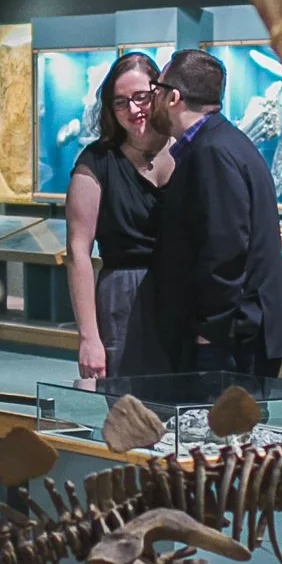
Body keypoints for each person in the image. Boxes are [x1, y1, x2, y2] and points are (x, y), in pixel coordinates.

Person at [148, 47, 282, 397]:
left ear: (173, 97)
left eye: (156, 90)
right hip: (239, 333)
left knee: (219, 440)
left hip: (231, 340)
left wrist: (211, 330)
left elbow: (225, 246)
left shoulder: (212, 151)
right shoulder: (225, 143)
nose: (152, 101)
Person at [64, 51, 174, 384]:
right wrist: (88, 337)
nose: (134, 110)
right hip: (122, 299)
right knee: (128, 410)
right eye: (121, 102)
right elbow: (78, 253)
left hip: (180, 293)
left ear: (159, 93)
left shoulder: (188, 150)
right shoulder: (97, 161)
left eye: (141, 97)